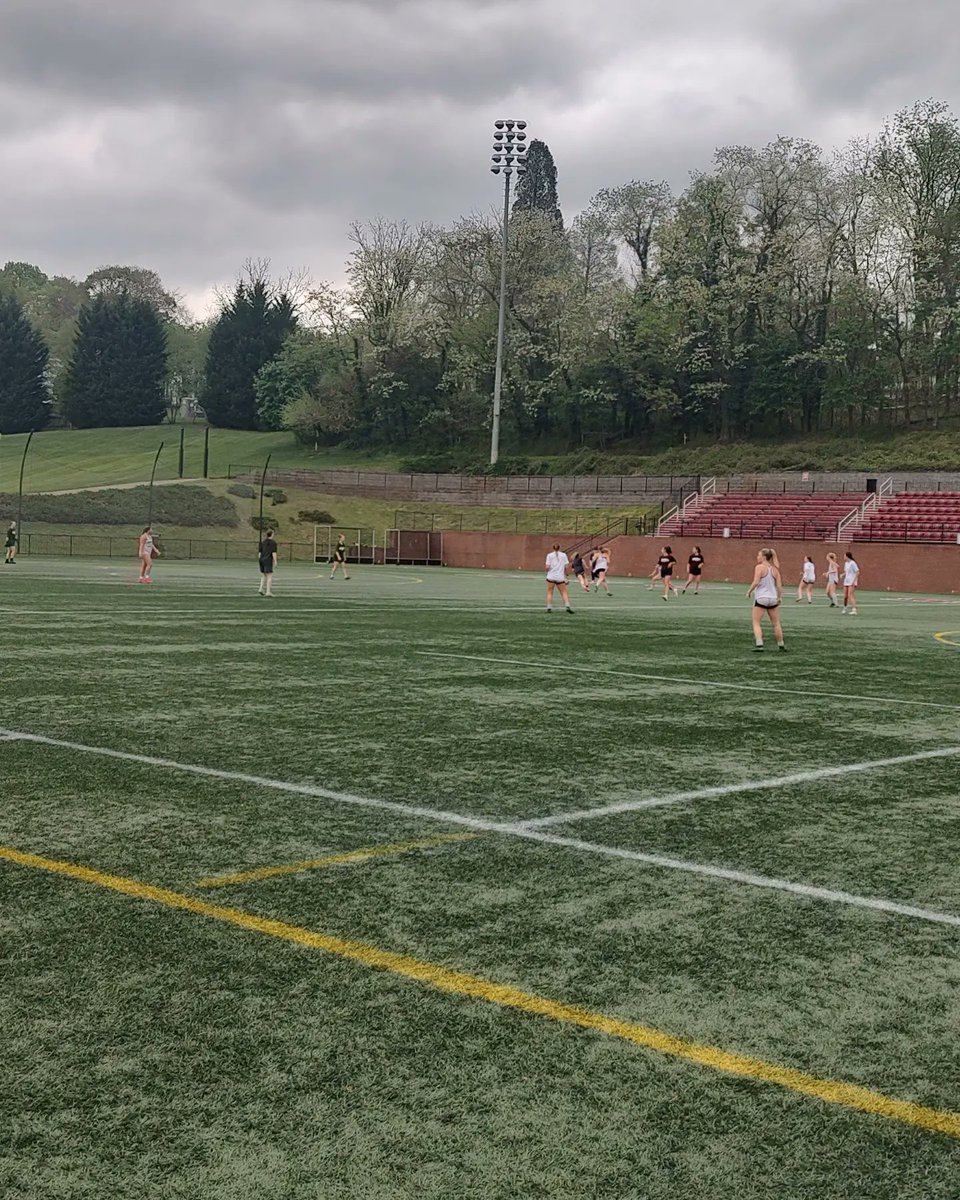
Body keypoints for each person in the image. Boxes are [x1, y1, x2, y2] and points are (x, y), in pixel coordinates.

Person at [747, 548, 786, 651]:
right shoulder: (775, 569)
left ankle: (759, 644)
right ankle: (781, 644)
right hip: (773, 598)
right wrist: (779, 597)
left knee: (756, 622)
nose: (757, 557)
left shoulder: (759, 567)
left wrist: (749, 591)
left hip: (761, 598)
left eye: (759, 555)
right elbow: (779, 586)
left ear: (764, 557)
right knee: (776, 623)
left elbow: (756, 582)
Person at [545, 543, 573, 613]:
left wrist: (548, 570)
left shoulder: (549, 555)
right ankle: (567, 606)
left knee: (550, 592)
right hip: (560, 577)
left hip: (551, 576)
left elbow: (547, 567)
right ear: (559, 548)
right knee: (564, 592)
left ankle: (549, 608)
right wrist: (566, 575)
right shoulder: (563, 555)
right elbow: (566, 566)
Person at [258, 529, 278, 596]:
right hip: (268, 560)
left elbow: (259, 553)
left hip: (262, 559)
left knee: (263, 575)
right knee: (269, 576)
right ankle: (268, 592)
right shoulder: (273, 543)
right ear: (272, 534)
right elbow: (273, 553)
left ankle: (261, 588)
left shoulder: (262, 542)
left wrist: (260, 560)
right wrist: (275, 561)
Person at [842, 551, 860, 615]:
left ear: (847, 556)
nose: (843, 557)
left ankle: (854, 609)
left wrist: (854, 581)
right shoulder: (846, 563)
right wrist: (842, 575)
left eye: (844, 556)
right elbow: (846, 572)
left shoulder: (853, 563)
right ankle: (845, 607)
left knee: (850, 595)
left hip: (852, 582)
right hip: (846, 581)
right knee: (845, 596)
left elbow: (857, 572)